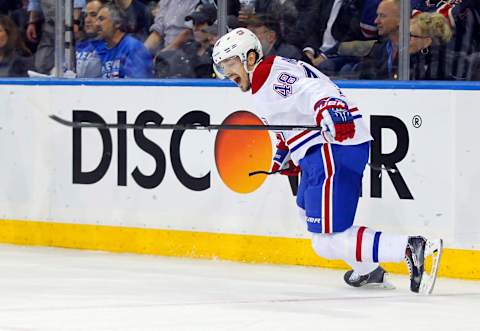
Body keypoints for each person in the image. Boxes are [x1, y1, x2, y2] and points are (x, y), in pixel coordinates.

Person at [211, 27, 443, 294]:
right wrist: (285, 154)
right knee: (305, 213)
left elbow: (312, 88)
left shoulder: (268, 75)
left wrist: (328, 107)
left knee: (325, 242)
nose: (226, 72)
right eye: (222, 65)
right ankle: (369, 270)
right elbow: (291, 117)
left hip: (331, 149)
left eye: (230, 63)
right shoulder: (265, 79)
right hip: (318, 153)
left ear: (250, 58)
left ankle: (413, 248)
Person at [95, 3, 152, 78]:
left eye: (101, 19)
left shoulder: (133, 48)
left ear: (117, 23)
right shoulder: (101, 50)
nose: (96, 24)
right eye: (96, 20)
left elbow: (141, 85)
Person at [75, 0, 104, 78]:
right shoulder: (78, 45)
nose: (87, 20)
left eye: (93, 15)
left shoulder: (111, 47)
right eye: (85, 15)